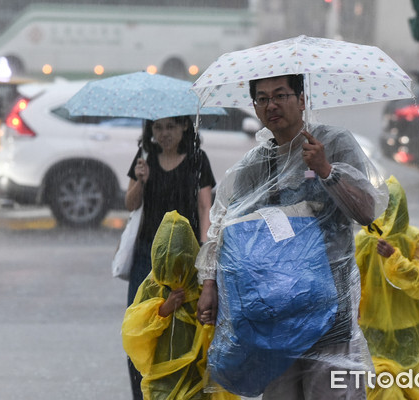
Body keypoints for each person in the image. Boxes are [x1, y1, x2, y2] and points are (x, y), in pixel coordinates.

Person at [195, 73, 389, 399]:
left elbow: (367, 211)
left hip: (331, 315)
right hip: (274, 322)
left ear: (301, 100)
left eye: (281, 95)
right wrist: (210, 284)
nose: (272, 104)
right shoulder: (253, 166)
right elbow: (222, 225)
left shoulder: (334, 143)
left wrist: (327, 170)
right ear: (255, 108)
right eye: (262, 98)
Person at [125, 115, 216, 399]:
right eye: (158, 127)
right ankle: (145, 393)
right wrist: (140, 181)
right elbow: (130, 203)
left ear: (185, 127)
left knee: (184, 328)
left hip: (184, 262)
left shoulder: (197, 160)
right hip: (147, 257)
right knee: (142, 323)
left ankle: (182, 390)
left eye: (171, 127)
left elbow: (205, 207)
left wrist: (205, 249)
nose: (164, 134)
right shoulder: (144, 159)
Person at [122, 211, 239, 400]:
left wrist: (208, 321)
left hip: (196, 377)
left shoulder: (202, 289)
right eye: (168, 266)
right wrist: (164, 309)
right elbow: (134, 331)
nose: (175, 275)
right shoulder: (155, 287)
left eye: (180, 266)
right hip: (163, 379)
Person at [355, 175, 419, 400]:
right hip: (372, 329)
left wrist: (394, 258)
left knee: (405, 390)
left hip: (406, 331)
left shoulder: (412, 239)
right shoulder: (365, 240)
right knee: (378, 388)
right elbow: (353, 282)